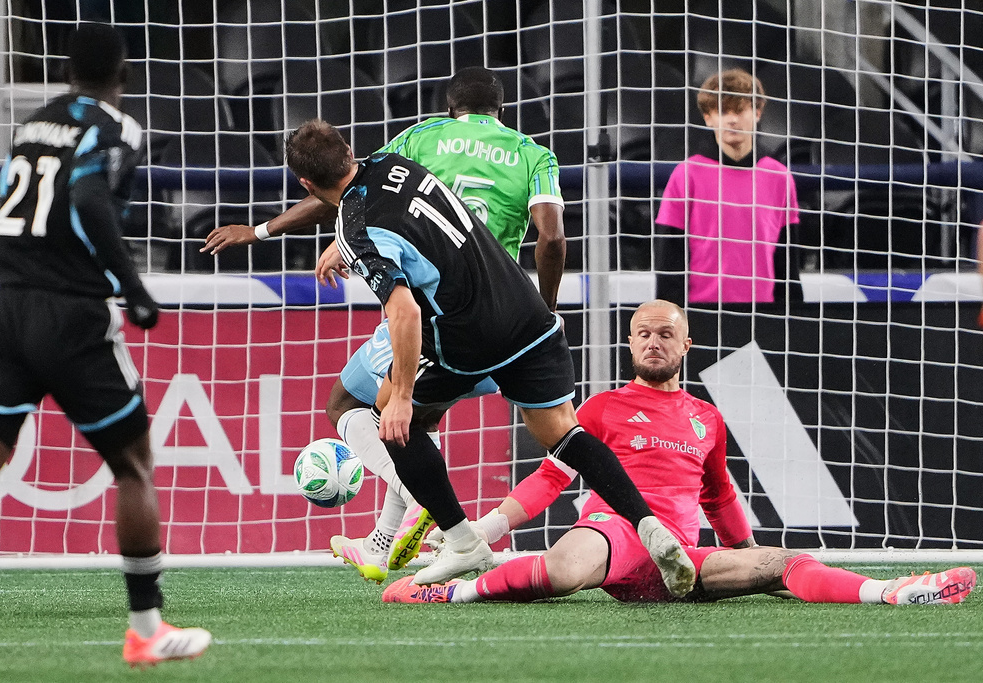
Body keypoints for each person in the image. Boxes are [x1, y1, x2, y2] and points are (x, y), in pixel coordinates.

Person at [285, 119, 696, 595]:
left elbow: (404, 312)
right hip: (527, 313)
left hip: (467, 334)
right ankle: (651, 527)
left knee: (390, 419)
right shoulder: (395, 164)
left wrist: (400, 394)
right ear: (349, 150)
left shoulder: (358, 231)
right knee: (565, 436)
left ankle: (463, 542)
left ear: (306, 185)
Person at [204, 67, 567, 584]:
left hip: (437, 317)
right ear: (501, 111)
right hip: (512, 322)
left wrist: (265, 230)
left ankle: (422, 500)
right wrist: (545, 310)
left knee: (350, 405)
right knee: (423, 426)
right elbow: (550, 237)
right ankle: (381, 544)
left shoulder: (422, 137)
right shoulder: (533, 152)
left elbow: (353, 189)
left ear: (449, 107)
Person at [381, 300, 977, 607]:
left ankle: (893, 591)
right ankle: (448, 591)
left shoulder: (706, 418)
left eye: (666, 333)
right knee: (561, 571)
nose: (653, 341)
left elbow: (718, 496)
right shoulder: (600, 408)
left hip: (680, 560)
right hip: (614, 532)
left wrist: (744, 552)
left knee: (781, 565)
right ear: (630, 341)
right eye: (643, 332)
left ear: (686, 343)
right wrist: (488, 527)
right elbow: (548, 479)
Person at [0, 24, 211, 667]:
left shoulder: (33, 123)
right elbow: (89, 195)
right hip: (70, 315)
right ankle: (146, 630)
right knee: (133, 464)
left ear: (66, 72)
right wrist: (133, 287)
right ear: (122, 75)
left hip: (6, 308)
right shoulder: (118, 127)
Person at [654, 68, 803, 306]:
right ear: (708, 117)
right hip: (700, 312)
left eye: (740, 110)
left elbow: (788, 261)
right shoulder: (687, 174)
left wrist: (794, 317)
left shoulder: (779, 177)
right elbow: (669, 258)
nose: (732, 119)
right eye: (723, 111)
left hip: (765, 313)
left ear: (757, 112)